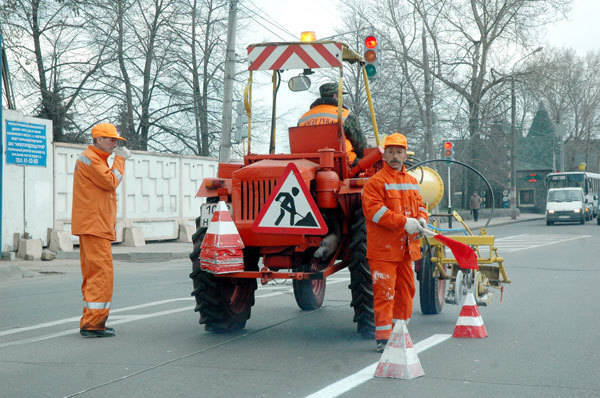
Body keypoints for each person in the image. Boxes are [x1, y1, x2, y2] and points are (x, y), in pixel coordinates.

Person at [362, 132, 428, 352]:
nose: (394, 156)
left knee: (406, 291)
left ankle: (400, 332)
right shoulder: (375, 182)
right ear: (384, 155)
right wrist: (404, 223)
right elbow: (374, 212)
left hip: (406, 249)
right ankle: (383, 338)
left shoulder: (411, 182)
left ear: (404, 155)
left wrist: (421, 219)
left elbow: (421, 206)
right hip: (384, 251)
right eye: (390, 152)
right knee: (385, 293)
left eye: (399, 152)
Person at [72, 123, 131, 338]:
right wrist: (121, 160)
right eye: (110, 139)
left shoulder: (93, 158)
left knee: (94, 274)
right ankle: (93, 324)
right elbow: (111, 181)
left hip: (92, 224)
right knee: (101, 275)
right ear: (97, 139)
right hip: (94, 225)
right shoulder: (92, 160)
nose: (114, 143)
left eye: (116, 140)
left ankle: (91, 320)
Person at [297, 82, 367, 165]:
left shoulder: (303, 118)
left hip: (309, 163)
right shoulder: (345, 115)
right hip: (344, 163)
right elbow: (360, 144)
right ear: (335, 96)